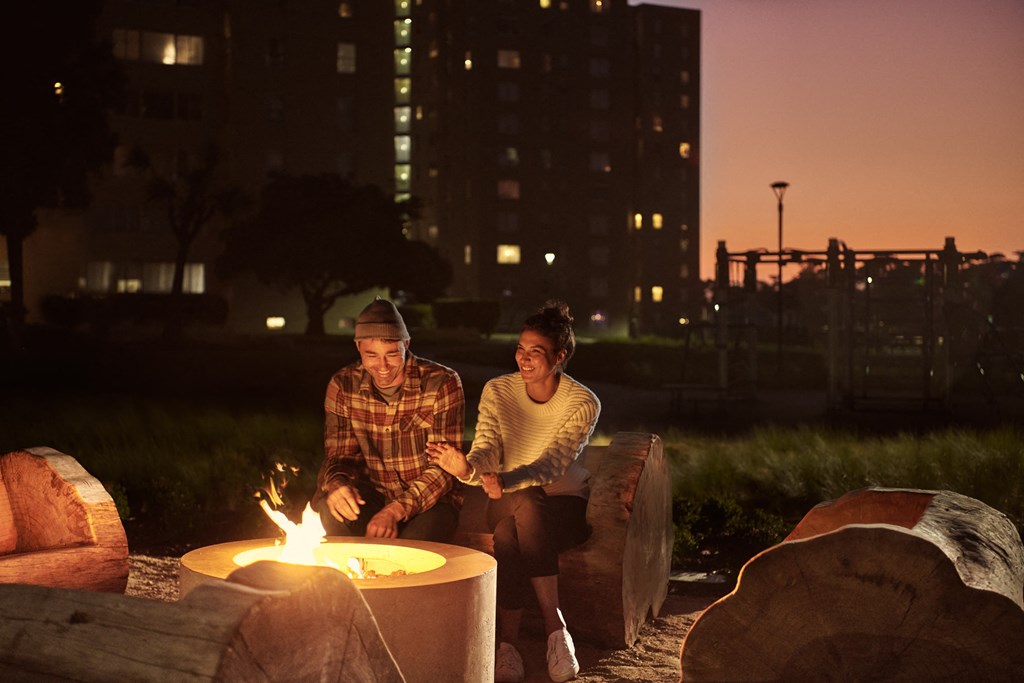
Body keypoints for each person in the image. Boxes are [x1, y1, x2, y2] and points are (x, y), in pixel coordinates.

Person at [427, 300, 600, 683]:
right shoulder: (498, 391)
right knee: (522, 504)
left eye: (535, 352)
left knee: (508, 533)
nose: (523, 358)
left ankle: (508, 646)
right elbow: (486, 447)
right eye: (520, 349)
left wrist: (503, 480)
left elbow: (552, 465)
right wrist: (471, 469)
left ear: (560, 356)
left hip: (565, 505)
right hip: (505, 497)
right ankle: (556, 631)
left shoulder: (582, 402)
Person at [312, 297, 465, 542]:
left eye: (392, 354)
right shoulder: (342, 385)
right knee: (331, 514)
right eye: (371, 355)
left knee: (411, 551)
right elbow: (340, 456)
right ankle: (349, 578)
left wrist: (395, 511)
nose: (382, 366)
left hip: (430, 500)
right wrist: (338, 485)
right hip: (372, 492)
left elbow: (444, 469)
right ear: (358, 346)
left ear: (407, 343)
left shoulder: (442, 382)